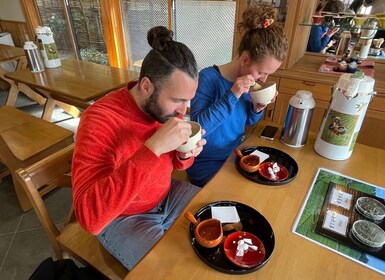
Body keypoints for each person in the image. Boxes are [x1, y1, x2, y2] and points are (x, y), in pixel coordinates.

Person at [72, 26, 206, 270]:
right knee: (175, 272)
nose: (184, 111)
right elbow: (90, 218)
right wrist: (153, 147)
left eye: (189, 100)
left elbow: (175, 163)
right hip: (121, 217)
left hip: (167, 196)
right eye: (177, 100)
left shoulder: (162, 109)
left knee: (218, 216)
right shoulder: (100, 120)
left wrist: (184, 154)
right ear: (146, 86)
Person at [186, 3, 288, 187]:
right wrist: (233, 94)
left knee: (268, 181)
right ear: (245, 59)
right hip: (204, 162)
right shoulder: (208, 77)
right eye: (262, 73)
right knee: (238, 193)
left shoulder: (247, 83)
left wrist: (257, 108)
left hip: (235, 154)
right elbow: (199, 127)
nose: (264, 80)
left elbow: (247, 122)